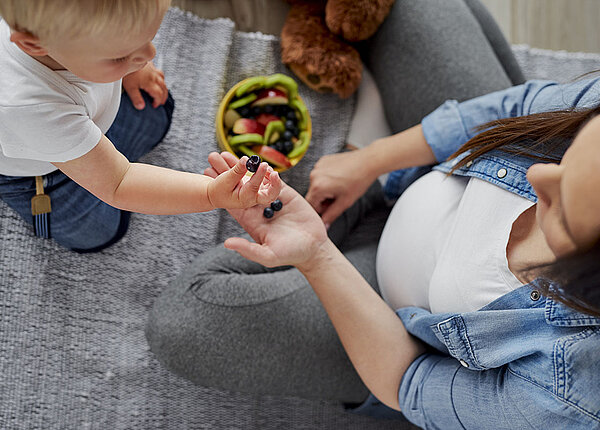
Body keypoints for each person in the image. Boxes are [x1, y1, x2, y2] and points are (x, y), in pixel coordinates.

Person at [145, 0, 599, 428]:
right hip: (437, 173)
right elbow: (516, 109)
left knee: (185, 326)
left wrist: (316, 254)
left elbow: (412, 382)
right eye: (574, 153)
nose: (540, 176)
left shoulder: (567, 396)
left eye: (559, 210)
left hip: (382, 314)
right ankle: (362, 182)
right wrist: (371, 161)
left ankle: (338, 216)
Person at [0, 0, 282, 252]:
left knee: (157, 110)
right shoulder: (28, 106)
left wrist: (129, 69)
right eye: (119, 55)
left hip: (82, 121)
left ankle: (98, 152)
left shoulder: (71, 37)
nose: (149, 55)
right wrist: (210, 194)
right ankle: (92, 166)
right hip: (41, 175)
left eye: (148, 37)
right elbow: (119, 182)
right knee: (100, 231)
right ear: (33, 44)